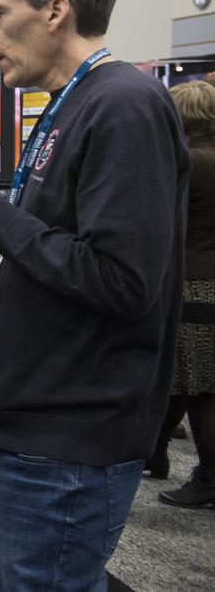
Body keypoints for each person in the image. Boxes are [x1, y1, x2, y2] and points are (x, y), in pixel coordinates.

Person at [0, 0, 188, 589]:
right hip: (19, 427)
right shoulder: (72, 103)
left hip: (67, 446)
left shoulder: (124, 106)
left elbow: (122, 281)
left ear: (56, 10)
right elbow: (59, 236)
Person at [149, 78, 215, 508]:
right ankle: (153, 452)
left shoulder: (189, 164)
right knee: (183, 379)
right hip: (206, 283)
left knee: (200, 389)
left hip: (193, 284)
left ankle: (209, 477)